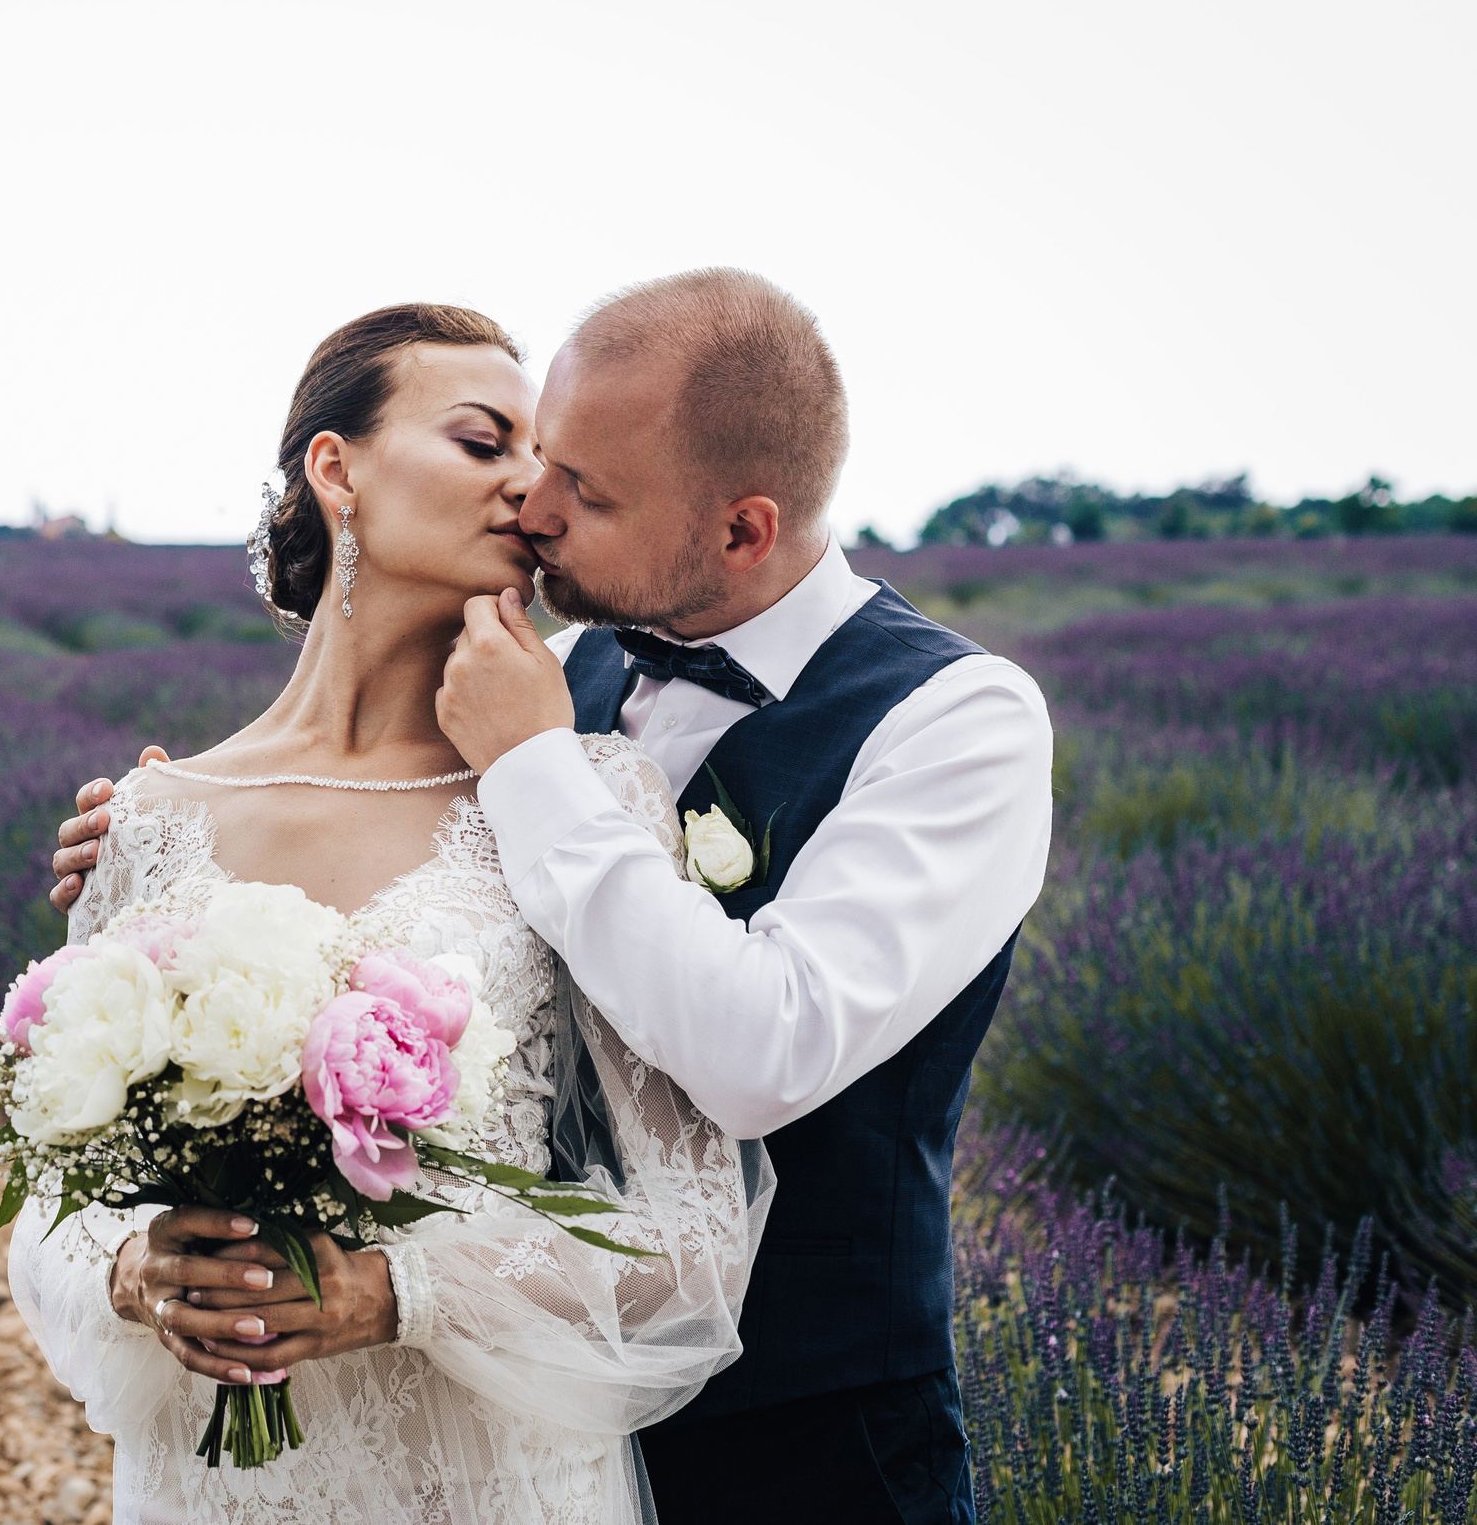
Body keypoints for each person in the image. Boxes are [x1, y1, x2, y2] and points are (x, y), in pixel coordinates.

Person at [54, 269, 1054, 1525]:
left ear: (741, 531)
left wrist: (532, 764)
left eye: (582, 487)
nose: (535, 498)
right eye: (522, 454)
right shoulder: (557, 671)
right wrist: (163, 860)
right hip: (493, 1420)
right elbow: (350, 819)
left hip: (808, 1439)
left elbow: (760, 1053)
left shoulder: (955, 723)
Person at [10, 302, 769, 1525]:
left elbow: (688, 1252)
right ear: (335, 467)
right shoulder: (146, 817)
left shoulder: (583, 804)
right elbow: (48, 1193)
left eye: (547, 463)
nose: (530, 489)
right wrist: (133, 1269)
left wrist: (394, 1288)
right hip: (220, 1487)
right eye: (484, 444)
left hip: (487, 1476)